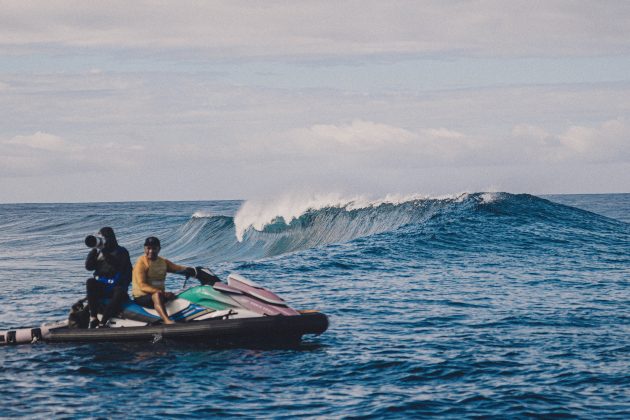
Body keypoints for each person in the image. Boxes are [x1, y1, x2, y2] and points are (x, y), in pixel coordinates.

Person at [132, 236, 195, 324]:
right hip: (142, 297)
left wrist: (192, 270)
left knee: (180, 294)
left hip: (159, 294)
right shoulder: (141, 263)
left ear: (159, 249)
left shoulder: (163, 262)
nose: (151, 251)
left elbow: (177, 268)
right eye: (148, 248)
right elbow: (142, 286)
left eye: (154, 248)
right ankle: (166, 320)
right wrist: (161, 292)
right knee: (157, 295)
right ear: (144, 248)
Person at [85, 227, 132, 328]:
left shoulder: (122, 251)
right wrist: (94, 251)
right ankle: (93, 318)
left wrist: (104, 251)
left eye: (103, 238)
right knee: (90, 282)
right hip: (103, 287)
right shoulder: (97, 252)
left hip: (117, 288)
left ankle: (103, 322)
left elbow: (116, 264)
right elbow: (88, 267)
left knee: (119, 291)